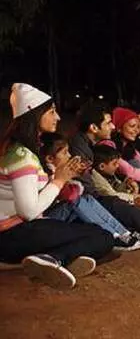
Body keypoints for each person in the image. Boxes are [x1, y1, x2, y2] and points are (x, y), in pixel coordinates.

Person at [0, 83, 114, 290]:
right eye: (52, 112)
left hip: (20, 230)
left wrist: (65, 176)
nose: (58, 117)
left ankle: (48, 258)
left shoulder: (23, 150)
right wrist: (59, 180)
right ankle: (51, 259)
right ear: (34, 114)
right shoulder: (20, 156)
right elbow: (28, 212)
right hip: (12, 234)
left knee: (94, 233)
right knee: (101, 237)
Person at [39, 133, 140, 251]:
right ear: (50, 159)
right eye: (64, 153)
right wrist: (69, 177)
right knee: (76, 201)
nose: (69, 156)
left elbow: (77, 190)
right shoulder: (46, 174)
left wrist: (74, 177)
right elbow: (69, 195)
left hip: (58, 214)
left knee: (87, 198)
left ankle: (123, 233)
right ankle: (115, 236)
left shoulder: (56, 171)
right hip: (43, 222)